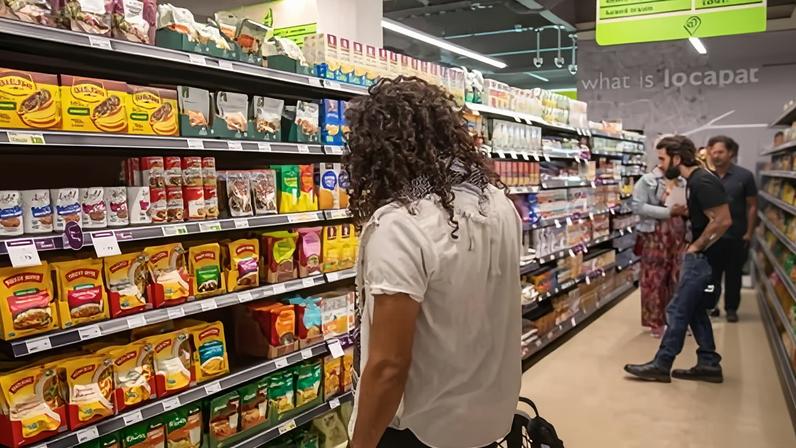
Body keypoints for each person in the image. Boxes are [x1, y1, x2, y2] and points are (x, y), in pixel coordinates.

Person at [344, 76, 521, 448]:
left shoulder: (400, 226)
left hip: (422, 432)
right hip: (488, 421)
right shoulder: (499, 204)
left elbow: (389, 366)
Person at [625, 135, 732, 384]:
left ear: (677, 157)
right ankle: (709, 363)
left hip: (701, 257)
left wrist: (696, 245)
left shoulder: (702, 180)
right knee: (694, 310)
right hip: (701, 255)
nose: (662, 164)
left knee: (676, 308)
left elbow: (723, 220)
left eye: (664, 158)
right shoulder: (696, 179)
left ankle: (662, 365)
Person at [631, 165, 688, 338]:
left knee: (678, 278)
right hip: (654, 235)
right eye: (660, 158)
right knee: (654, 278)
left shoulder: (683, 181)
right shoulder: (647, 181)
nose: (661, 162)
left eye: (665, 158)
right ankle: (656, 323)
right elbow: (638, 207)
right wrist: (668, 211)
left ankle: (678, 321)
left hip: (678, 235)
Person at [706, 135, 757, 322]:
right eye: (713, 152)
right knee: (711, 276)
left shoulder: (744, 176)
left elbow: (752, 205)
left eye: (720, 152)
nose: (715, 155)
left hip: (736, 235)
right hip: (711, 236)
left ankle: (731, 308)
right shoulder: (706, 176)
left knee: (734, 275)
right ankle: (711, 305)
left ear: (730, 153)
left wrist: (749, 233)